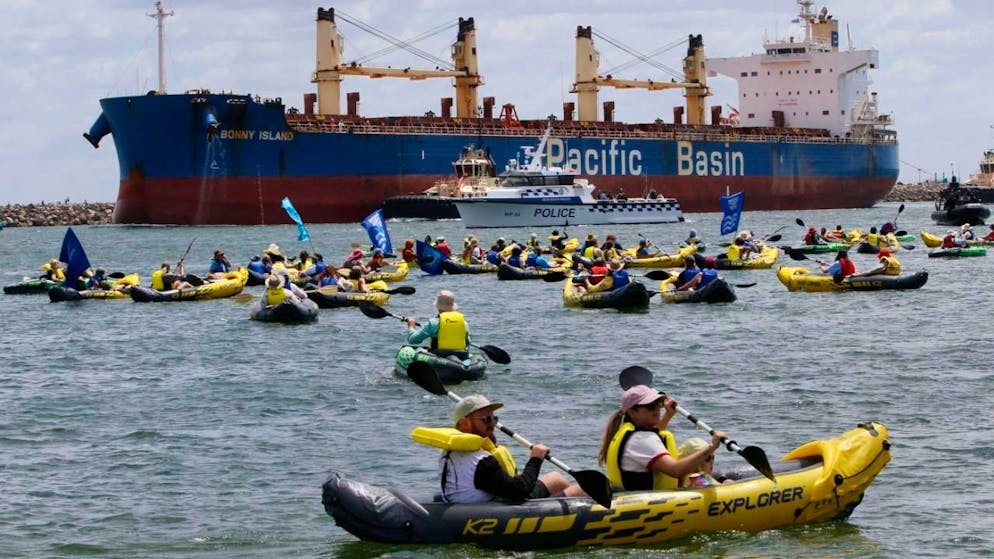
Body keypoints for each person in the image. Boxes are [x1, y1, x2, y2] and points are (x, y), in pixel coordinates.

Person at [434, 394, 584, 503]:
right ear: (465, 424)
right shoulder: (480, 461)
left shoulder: (449, 452)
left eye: (494, 418)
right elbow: (520, 491)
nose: (492, 424)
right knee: (581, 491)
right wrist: (535, 459)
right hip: (496, 510)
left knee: (556, 478)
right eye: (486, 419)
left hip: (490, 498)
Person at [597, 385, 725, 491]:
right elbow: (676, 470)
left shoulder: (629, 431)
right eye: (650, 406)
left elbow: (654, 435)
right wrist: (711, 447)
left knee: (700, 477)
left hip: (636, 495)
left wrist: (668, 415)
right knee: (702, 477)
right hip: (648, 504)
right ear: (632, 412)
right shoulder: (641, 439)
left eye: (658, 403)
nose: (657, 409)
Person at [406, 290, 470, 358]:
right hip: (460, 357)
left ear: (438, 307)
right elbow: (467, 342)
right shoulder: (464, 323)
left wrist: (411, 326)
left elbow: (413, 340)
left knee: (412, 350)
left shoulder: (433, 323)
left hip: (439, 356)